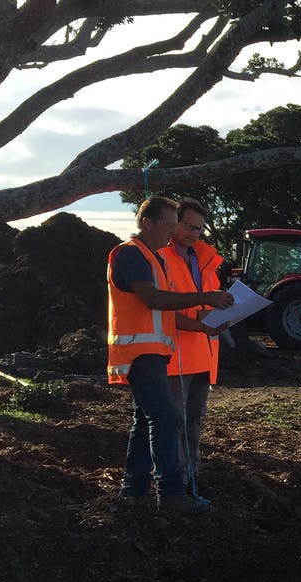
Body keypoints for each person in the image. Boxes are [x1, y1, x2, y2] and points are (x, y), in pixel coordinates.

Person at [108, 196, 233, 515]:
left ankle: (134, 489)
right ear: (147, 223)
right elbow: (152, 299)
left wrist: (202, 319)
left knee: (145, 420)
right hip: (142, 352)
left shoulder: (150, 258)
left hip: (153, 352)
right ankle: (171, 493)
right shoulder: (132, 255)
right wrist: (205, 298)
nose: (174, 231)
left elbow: (160, 304)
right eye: (171, 224)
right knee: (166, 417)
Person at [158, 198, 227, 501]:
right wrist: (203, 321)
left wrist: (223, 317)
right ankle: (175, 482)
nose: (193, 232)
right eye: (187, 226)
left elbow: (207, 305)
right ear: (174, 223)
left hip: (203, 352)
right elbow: (164, 310)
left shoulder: (205, 260)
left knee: (194, 419)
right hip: (174, 356)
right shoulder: (160, 257)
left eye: (198, 228)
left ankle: (191, 478)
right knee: (173, 421)